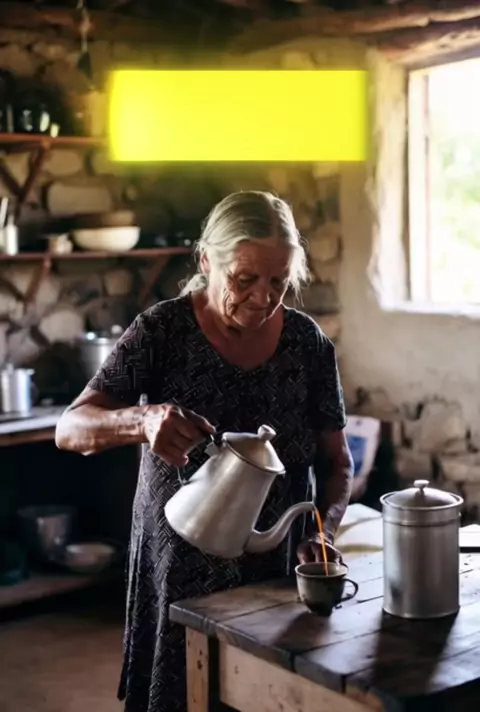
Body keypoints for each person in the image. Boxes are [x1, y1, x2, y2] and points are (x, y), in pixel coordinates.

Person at [55, 190, 353, 712]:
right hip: (179, 570)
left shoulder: (307, 345)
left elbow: (337, 464)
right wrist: (142, 420)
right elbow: (70, 428)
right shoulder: (162, 332)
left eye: (279, 282)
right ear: (206, 262)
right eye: (245, 279)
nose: (263, 298)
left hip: (274, 574)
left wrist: (322, 531)